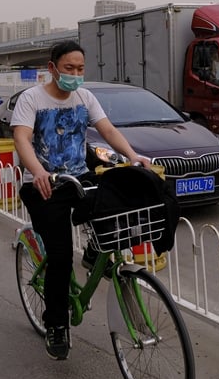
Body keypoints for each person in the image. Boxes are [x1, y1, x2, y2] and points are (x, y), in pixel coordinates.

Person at [10, 40, 150, 360]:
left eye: (80, 69)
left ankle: (93, 253)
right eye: (69, 68)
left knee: (115, 209)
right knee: (59, 258)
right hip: (43, 186)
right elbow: (21, 137)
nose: (75, 75)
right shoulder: (32, 98)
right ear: (52, 68)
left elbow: (108, 130)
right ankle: (57, 323)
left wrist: (133, 156)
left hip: (79, 177)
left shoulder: (84, 97)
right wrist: (37, 170)